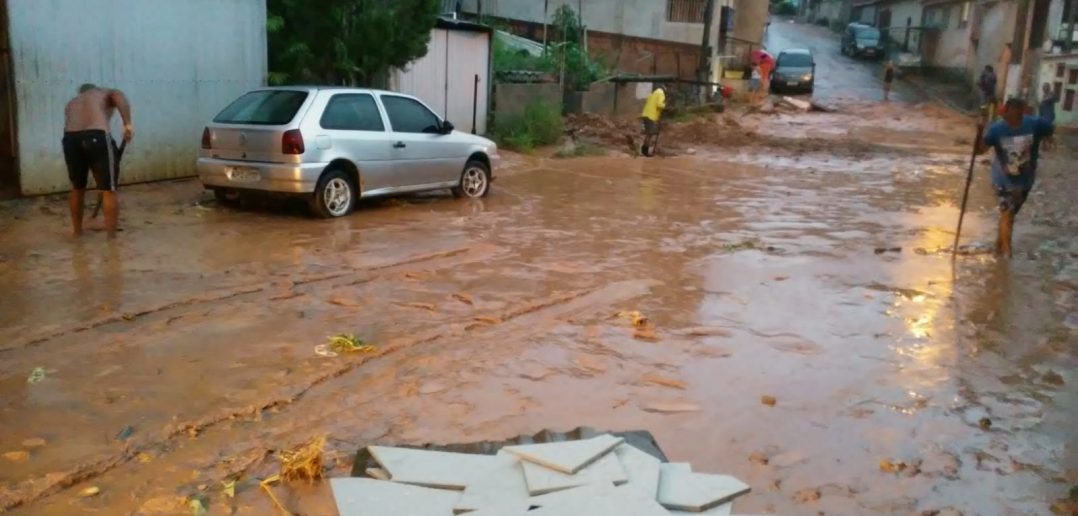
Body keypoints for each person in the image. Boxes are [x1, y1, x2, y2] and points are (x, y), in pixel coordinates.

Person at [975, 97, 1054, 258]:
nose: (1013, 117)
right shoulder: (997, 129)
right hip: (1002, 180)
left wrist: (1048, 137)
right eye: (1010, 113)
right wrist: (979, 135)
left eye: (1018, 113)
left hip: (1025, 181)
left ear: (1022, 112)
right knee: (1008, 214)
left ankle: (998, 248)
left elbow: (1050, 128)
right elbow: (980, 150)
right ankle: (1007, 255)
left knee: (1009, 216)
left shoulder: (1034, 124)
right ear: (1006, 112)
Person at [63, 84, 133, 238]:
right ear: (94, 88)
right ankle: (111, 239)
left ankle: (77, 233)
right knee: (109, 190)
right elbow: (118, 96)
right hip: (96, 135)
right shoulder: (103, 92)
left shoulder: (72, 102)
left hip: (71, 139)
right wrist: (127, 124)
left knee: (77, 188)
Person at [639, 84, 666, 157]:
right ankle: (645, 151)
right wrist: (665, 106)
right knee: (649, 134)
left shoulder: (652, 94)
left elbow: (649, 102)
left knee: (649, 134)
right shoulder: (661, 93)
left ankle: (644, 149)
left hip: (646, 114)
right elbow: (659, 104)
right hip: (651, 116)